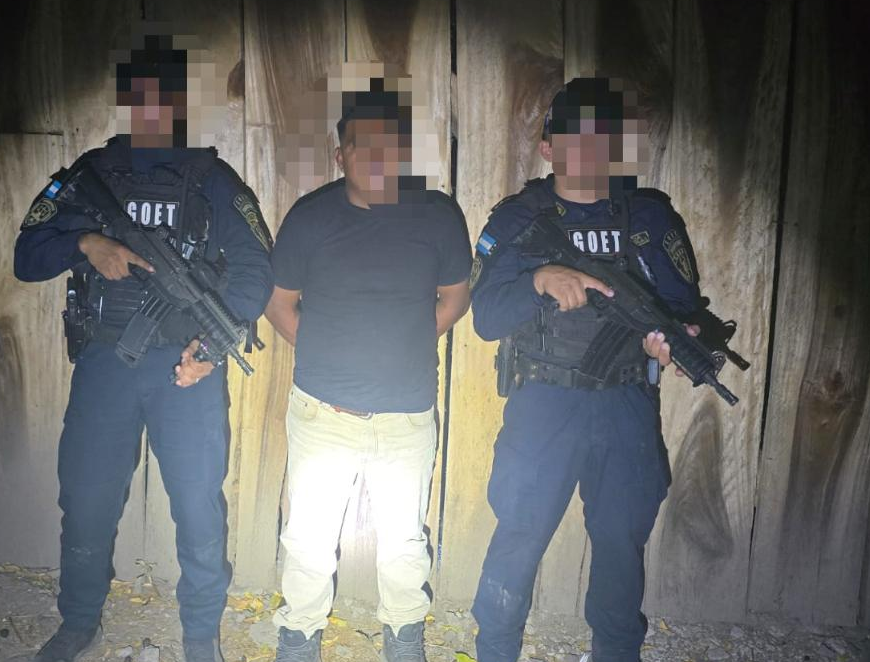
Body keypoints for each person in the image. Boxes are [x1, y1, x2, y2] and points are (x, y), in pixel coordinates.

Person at [13, 34, 274, 662]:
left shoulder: (213, 180)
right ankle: (79, 624)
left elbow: (255, 270)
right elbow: (27, 256)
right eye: (144, 95)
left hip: (188, 367)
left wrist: (212, 345)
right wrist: (87, 245)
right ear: (128, 100)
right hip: (106, 363)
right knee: (86, 498)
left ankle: (200, 635)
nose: (155, 107)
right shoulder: (89, 176)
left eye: (167, 96)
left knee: (198, 506)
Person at [469, 77, 702, 662]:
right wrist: (538, 281)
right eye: (576, 136)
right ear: (549, 147)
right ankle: (495, 649)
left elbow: (683, 311)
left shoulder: (649, 219)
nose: (591, 148)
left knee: (621, 542)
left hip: (625, 403)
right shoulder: (518, 220)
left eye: (604, 136)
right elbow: (486, 318)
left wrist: (674, 343)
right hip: (544, 403)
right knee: (520, 534)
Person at [263, 77, 473, 662]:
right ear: (341, 155)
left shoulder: (438, 217)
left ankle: (404, 638)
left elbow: (455, 299)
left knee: (403, 541)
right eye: (364, 146)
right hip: (322, 412)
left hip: (406, 415)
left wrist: (403, 343)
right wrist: (327, 351)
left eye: (390, 146)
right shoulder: (310, 218)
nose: (378, 158)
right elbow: (278, 304)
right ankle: (299, 637)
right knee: (307, 538)